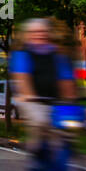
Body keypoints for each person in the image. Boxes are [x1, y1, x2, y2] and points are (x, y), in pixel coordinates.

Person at [9, 18, 77, 157]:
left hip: (55, 101)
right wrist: (29, 96)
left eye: (43, 31)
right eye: (35, 32)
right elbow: (22, 79)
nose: (40, 34)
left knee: (68, 129)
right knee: (40, 122)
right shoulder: (23, 55)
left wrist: (71, 99)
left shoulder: (57, 55)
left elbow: (66, 80)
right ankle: (36, 152)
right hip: (32, 100)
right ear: (28, 35)